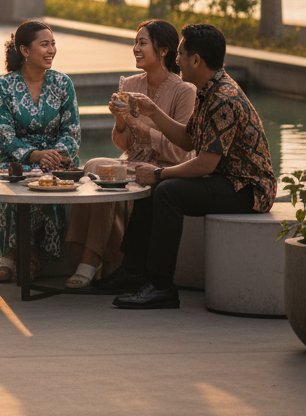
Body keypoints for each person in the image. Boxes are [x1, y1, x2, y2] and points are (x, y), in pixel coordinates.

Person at [112, 23, 277, 310]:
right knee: (158, 186)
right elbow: (188, 141)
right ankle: (134, 272)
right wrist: (153, 110)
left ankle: (161, 286)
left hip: (248, 189)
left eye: (180, 54)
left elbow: (203, 164)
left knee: (166, 191)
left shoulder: (222, 98)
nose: (176, 60)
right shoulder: (208, 90)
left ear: (196, 60)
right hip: (226, 179)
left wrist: (160, 173)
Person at [63, 19, 196, 292]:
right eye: (135, 42)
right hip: (132, 162)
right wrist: (120, 120)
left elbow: (182, 152)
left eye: (142, 43)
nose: (135, 48)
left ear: (163, 50)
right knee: (94, 165)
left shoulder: (185, 91)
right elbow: (123, 144)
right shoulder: (131, 82)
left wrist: (137, 123)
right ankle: (100, 257)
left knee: (103, 171)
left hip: (162, 168)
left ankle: (92, 260)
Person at [0, 21, 80, 283]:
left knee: (50, 178)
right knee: (15, 178)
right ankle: (13, 253)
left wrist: (54, 155)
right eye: (45, 44)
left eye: (53, 44)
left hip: (56, 159)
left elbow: (72, 130)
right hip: (16, 158)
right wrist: (32, 155)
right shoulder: (3, 86)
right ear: (25, 50)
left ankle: (35, 253)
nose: (51, 50)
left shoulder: (63, 83)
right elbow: (3, 134)